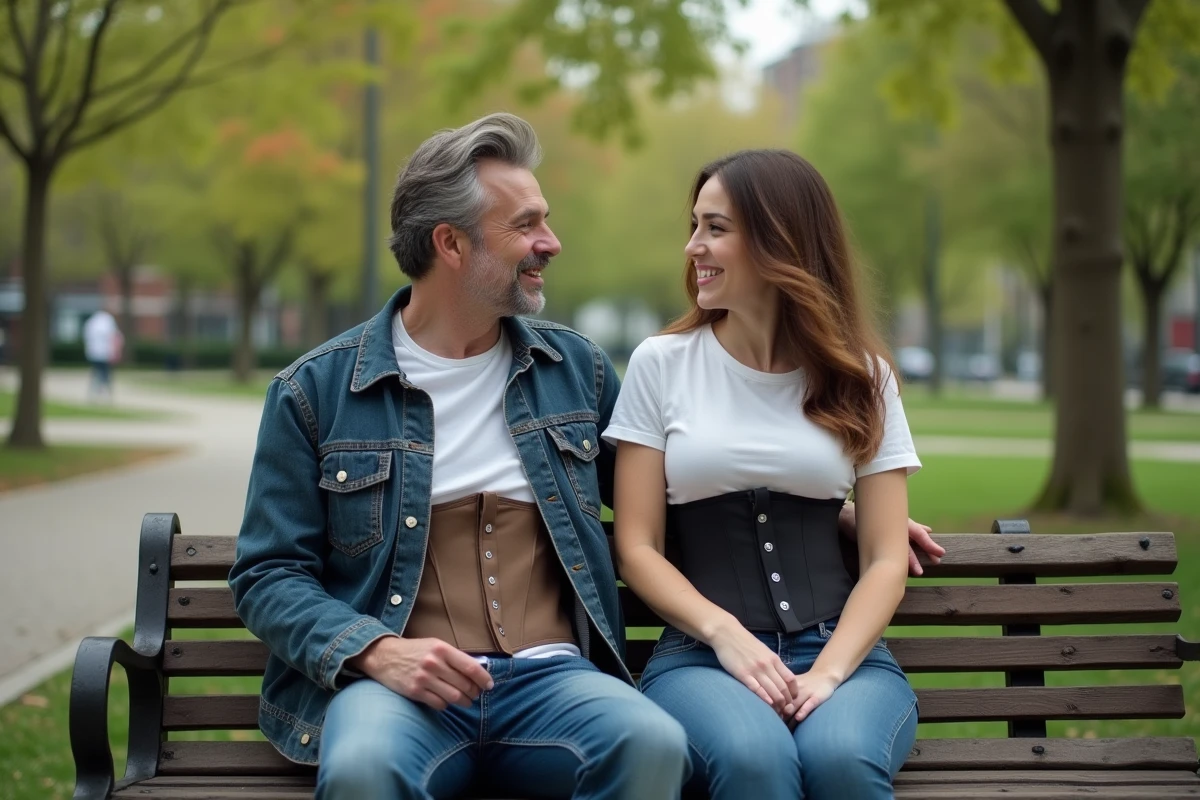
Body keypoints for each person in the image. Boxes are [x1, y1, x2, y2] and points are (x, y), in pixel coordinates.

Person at [229, 113, 692, 800]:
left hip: (554, 683)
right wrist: (377, 651)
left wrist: (822, 513)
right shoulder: (314, 392)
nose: (551, 242)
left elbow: (665, 502)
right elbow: (268, 574)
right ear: (450, 242)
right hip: (394, 693)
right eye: (527, 225)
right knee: (361, 770)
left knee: (653, 744)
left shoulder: (578, 372)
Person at [604, 149, 930, 799]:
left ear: (782, 241)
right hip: (701, 656)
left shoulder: (864, 378)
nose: (694, 246)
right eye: (694, 226)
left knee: (839, 761)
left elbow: (886, 558)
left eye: (716, 228)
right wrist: (727, 637)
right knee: (755, 762)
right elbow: (636, 546)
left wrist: (829, 674)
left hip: (843, 655)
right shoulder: (661, 364)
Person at [82, 308, 123, 402]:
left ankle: (95, 392)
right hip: (105, 353)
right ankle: (105, 392)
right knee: (106, 374)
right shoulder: (108, 321)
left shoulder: (92, 322)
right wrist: (116, 352)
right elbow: (114, 337)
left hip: (94, 353)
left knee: (96, 372)